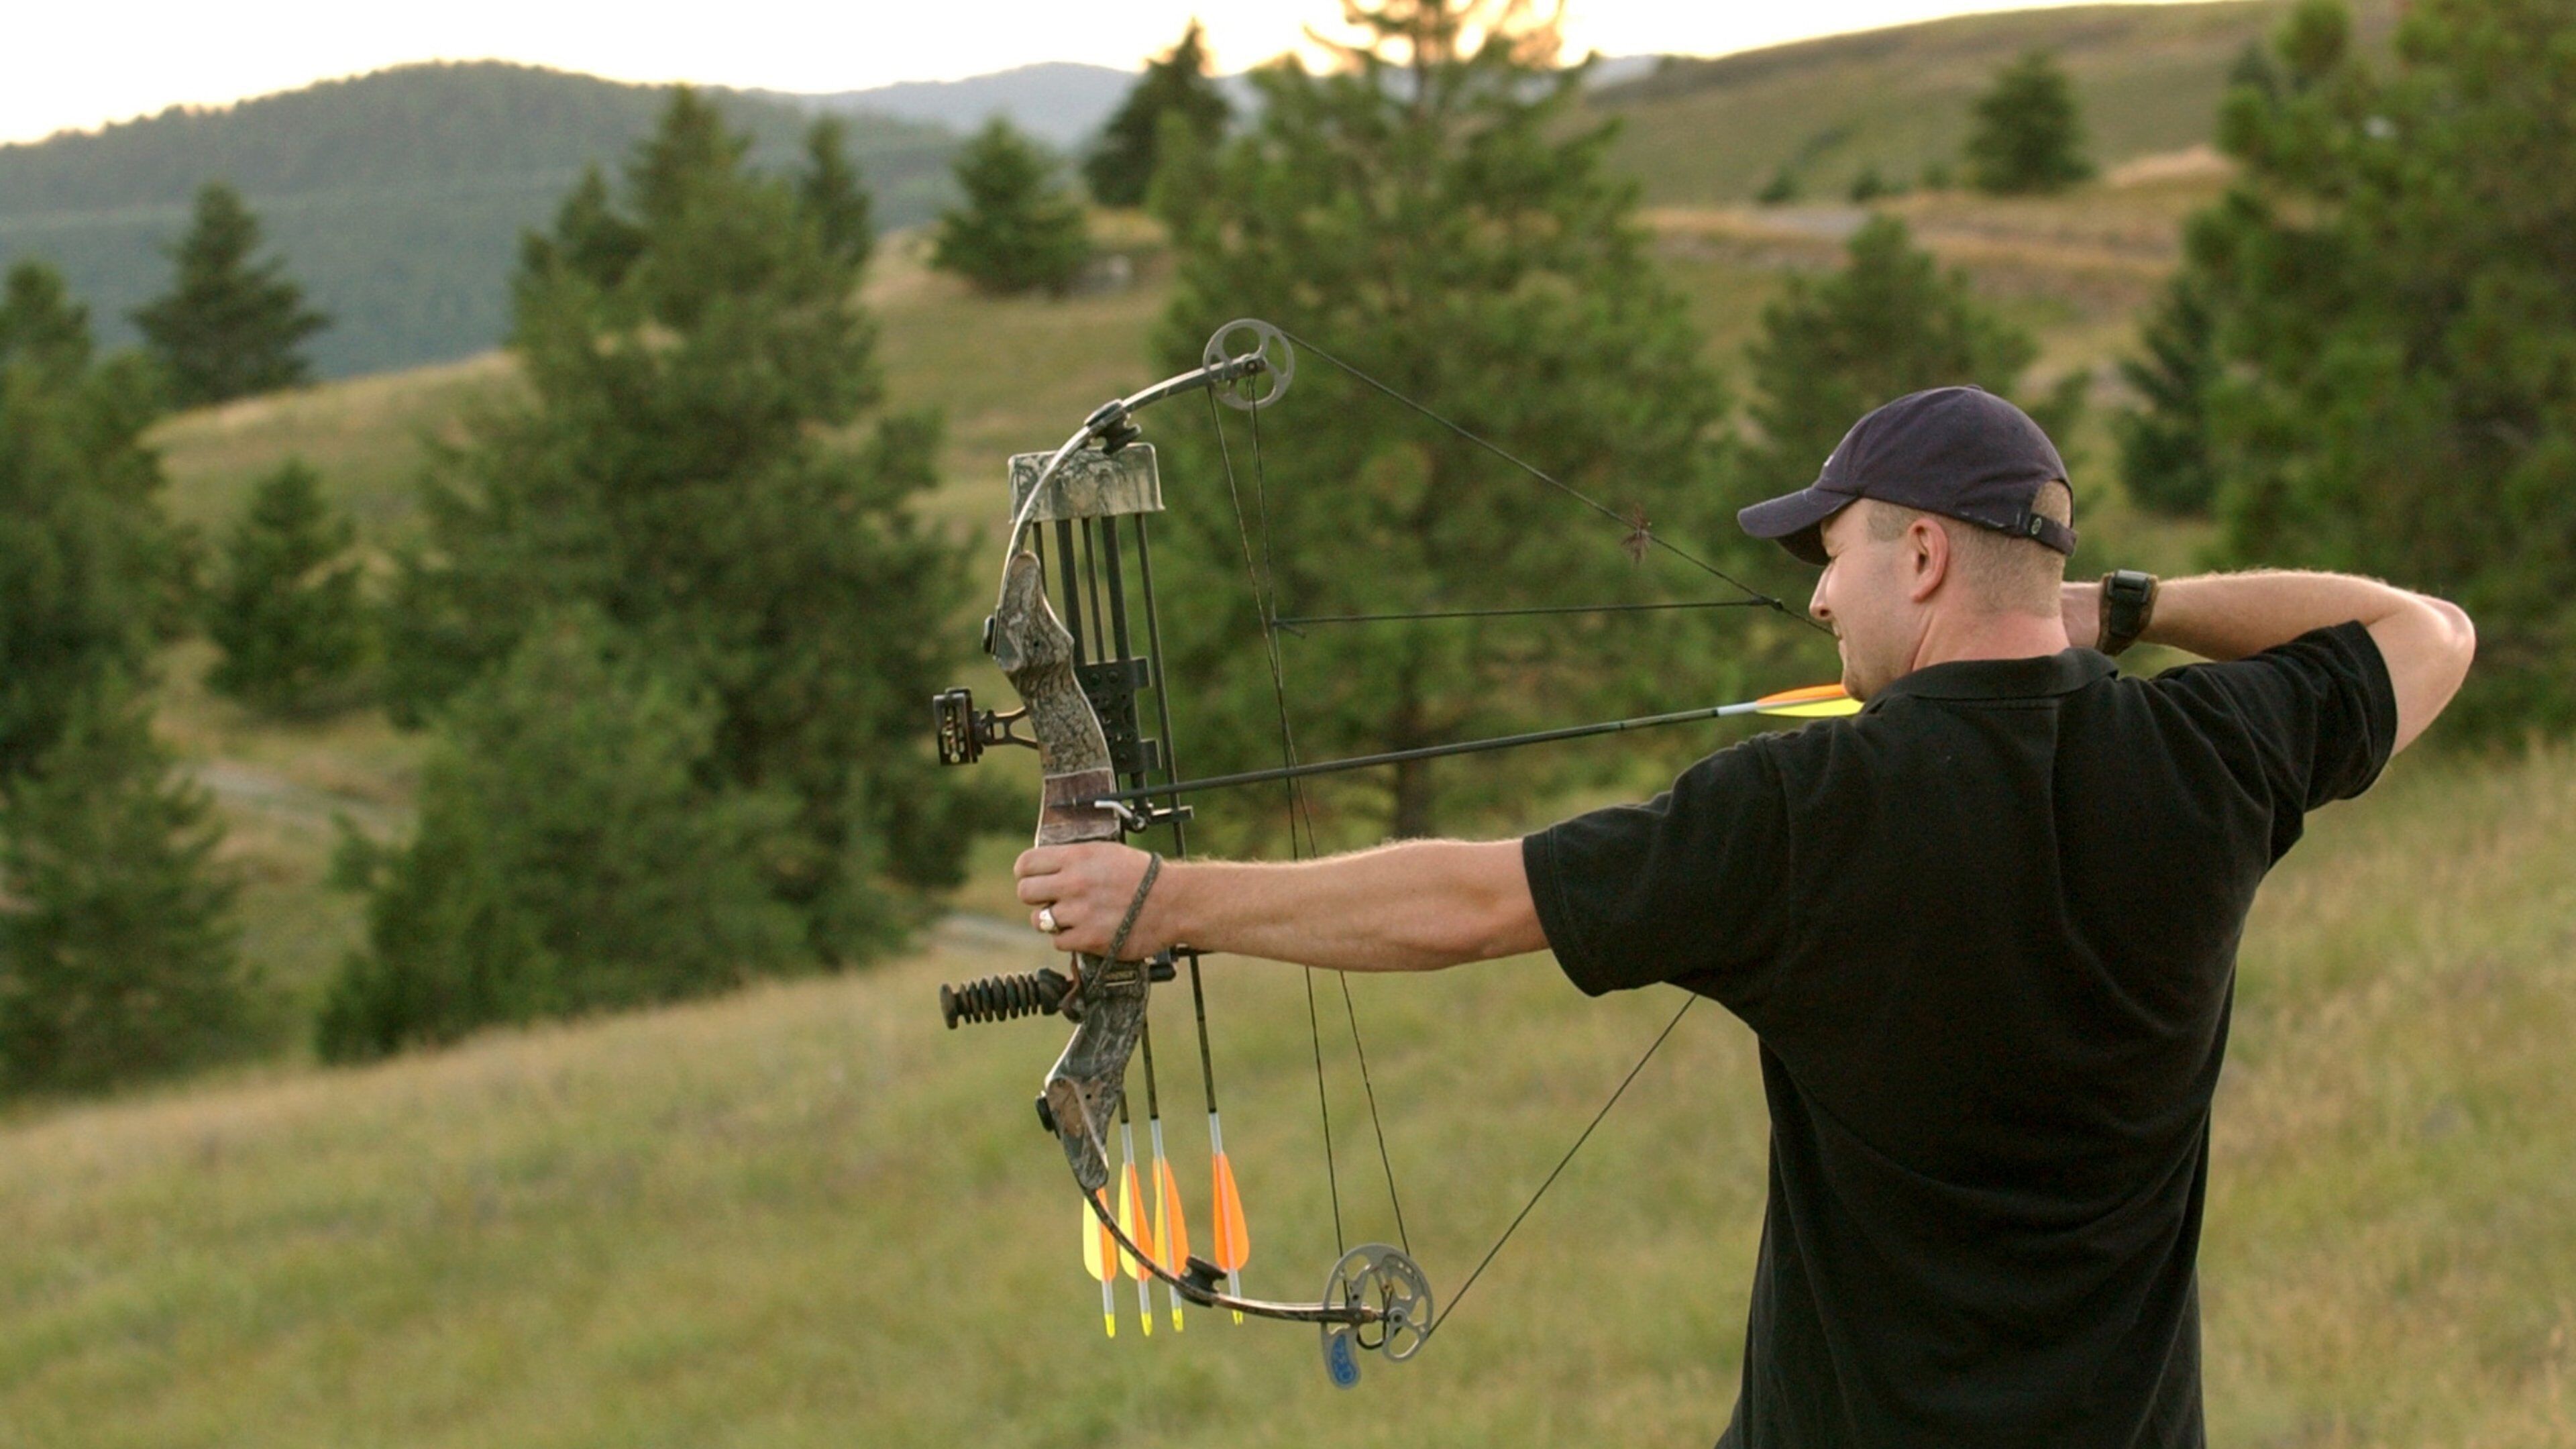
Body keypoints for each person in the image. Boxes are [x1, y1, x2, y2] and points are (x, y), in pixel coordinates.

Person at [1014, 386, 2475, 1447]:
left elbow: (1468, 901)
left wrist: (1167, 898)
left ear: (1922, 558)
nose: (1822, 601)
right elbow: (2428, 635)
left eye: (1832, 555)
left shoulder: (1801, 813)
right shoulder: (2210, 759)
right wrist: (2118, 610)